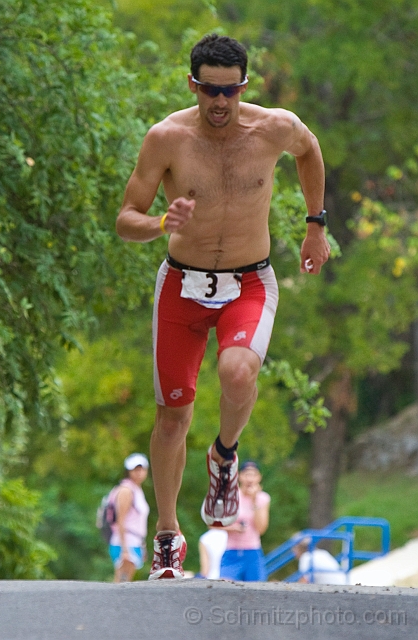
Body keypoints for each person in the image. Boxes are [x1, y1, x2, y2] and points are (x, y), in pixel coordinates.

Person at [116, 33, 331, 580]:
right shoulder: (167, 138)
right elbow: (126, 219)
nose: (220, 103)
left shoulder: (274, 127)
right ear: (193, 85)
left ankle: (224, 457)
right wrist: (163, 223)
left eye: (230, 91)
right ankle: (168, 537)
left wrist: (315, 226)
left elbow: (309, 151)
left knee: (238, 370)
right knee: (172, 418)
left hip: (249, 281)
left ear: (243, 86)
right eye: (209, 91)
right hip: (181, 286)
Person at [219, 460, 270, 581]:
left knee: (257, 591)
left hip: (252, 551)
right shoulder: (230, 496)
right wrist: (233, 528)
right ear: (240, 476)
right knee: (224, 586)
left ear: (259, 477)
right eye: (247, 474)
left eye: (253, 475)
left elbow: (261, 528)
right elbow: (213, 523)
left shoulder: (263, 498)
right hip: (232, 551)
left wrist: (254, 501)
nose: (250, 479)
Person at [108, 453, 150, 582]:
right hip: (125, 542)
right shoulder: (126, 491)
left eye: (141, 469)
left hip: (135, 541)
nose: (139, 473)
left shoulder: (137, 490)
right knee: (122, 582)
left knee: (126, 582)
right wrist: (125, 550)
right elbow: (121, 520)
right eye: (135, 469)